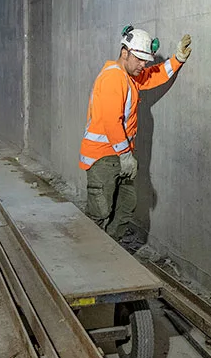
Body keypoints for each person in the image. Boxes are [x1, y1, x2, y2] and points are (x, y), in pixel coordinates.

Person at [78, 25, 192, 249]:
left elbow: (154, 76)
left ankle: (108, 253)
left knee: (125, 206)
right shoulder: (113, 78)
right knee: (99, 211)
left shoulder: (131, 76)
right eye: (139, 59)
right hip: (103, 158)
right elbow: (112, 121)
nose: (143, 65)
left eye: (145, 60)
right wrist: (125, 155)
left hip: (120, 155)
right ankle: (89, 257)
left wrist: (177, 59)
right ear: (124, 53)